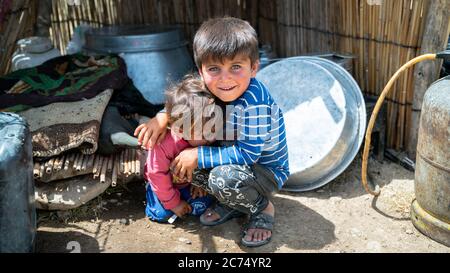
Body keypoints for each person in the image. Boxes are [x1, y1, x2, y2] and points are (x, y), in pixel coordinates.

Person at [135, 16, 289, 247]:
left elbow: (248, 155)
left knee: (219, 177)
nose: (225, 78)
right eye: (214, 69)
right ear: (201, 71)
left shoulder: (254, 105)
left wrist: (198, 156)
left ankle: (262, 208)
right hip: (231, 160)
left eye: (236, 67)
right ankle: (233, 204)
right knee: (182, 163)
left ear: (254, 67)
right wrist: (162, 117)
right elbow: (185, 103)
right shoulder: (211, 86)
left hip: (264, 170)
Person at [144, 74, 216, 223]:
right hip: (165, 183)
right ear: (181, 130)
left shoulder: (207, 132)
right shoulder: (163, 144)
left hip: (189, 183)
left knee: (200, 207)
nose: (211, 138)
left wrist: (199, 183)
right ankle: (152, 192)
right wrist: (174, 203)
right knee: (161, 214)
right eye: (204, 133)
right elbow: (157, 173)